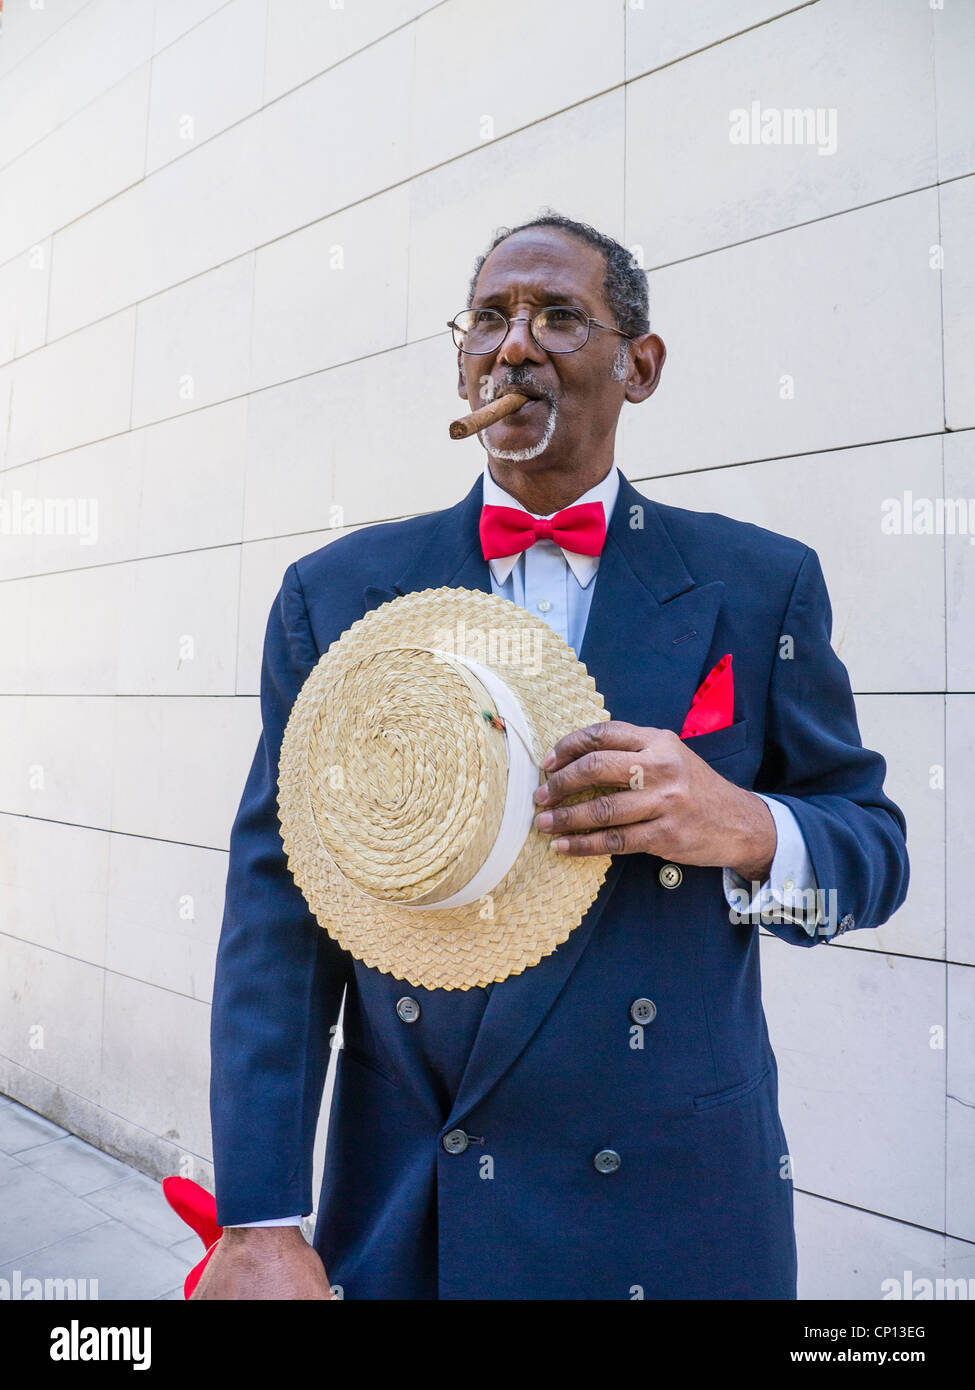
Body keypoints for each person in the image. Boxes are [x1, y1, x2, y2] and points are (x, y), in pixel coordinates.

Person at [196, 213, 909, 1300]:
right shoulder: (334, 598)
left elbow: (875, 858)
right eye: (489, 318)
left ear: (641, 366)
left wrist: (747, 825)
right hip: (418, 1202)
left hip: (680, 1206)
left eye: (559, 316)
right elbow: (281, 912)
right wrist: (257, 1216)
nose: (514, 344)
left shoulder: (762, 583)